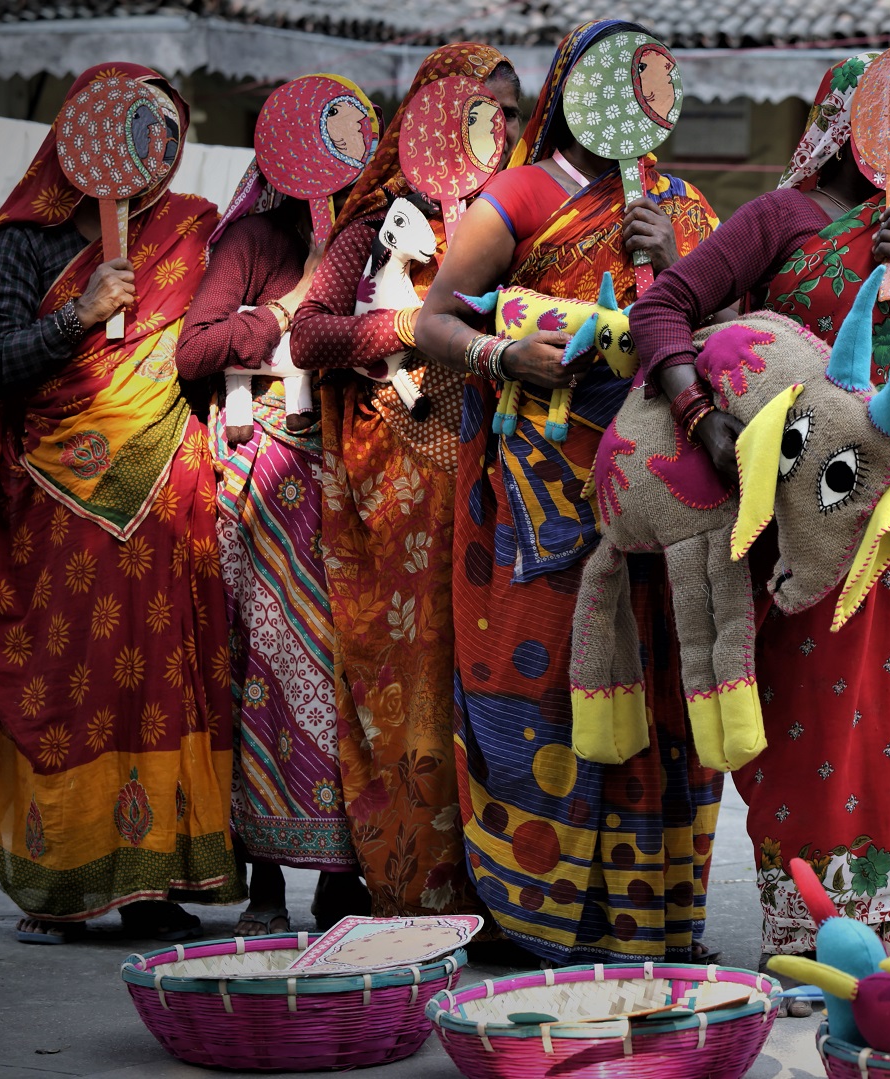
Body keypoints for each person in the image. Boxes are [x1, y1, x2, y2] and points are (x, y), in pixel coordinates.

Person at [629, 52, 890, 962]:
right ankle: (808, 924)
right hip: (805, 509)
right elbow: (665, 312)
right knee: (809, 712)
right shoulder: (783, 217)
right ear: (848, 118)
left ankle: (887, 920)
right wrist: (700, 414)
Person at [413, 20, 723, 965]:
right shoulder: (517, 195)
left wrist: (673, 261)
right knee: (540, 687)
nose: (644, 99)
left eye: (655, 83)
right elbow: (432, 322)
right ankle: (536, 918)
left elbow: (733, 335)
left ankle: (652, 921)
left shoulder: (685, 208)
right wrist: (503, 352)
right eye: (625, 81)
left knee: (663, 689)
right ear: (579, 89)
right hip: (542, 500)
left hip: (661, 495)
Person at [0, 63, 243, 944]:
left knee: (164, 681)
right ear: (81, 138)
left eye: (166, 135)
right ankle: (64, 880)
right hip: (58, 507)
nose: (152, 154)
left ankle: (156, 881)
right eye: (134, 132)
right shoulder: (28, 240)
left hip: (165, 497)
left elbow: (209, 337)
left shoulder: (193, 231)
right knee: (69, 686)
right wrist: (80, 312)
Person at [287, 43, 518, 921]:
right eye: (471, 111)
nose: (487, 129)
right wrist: (406, 326)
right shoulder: (374, 217)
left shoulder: (514, 215)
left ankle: (500, 891)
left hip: (494, 473)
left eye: (500, 113)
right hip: (397, 482)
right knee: (408, 678)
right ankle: (415, 885)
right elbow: (309, 336)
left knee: (490, 676)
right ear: (428, 117)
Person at [176, 117, 371, 935]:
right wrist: (285, 313)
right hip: (263, 488)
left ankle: (339, 882)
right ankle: (262, 884)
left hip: (349, 484)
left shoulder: (365, 238)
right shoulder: (254, 238)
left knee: (344, 681)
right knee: (257, 675)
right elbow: (196, 348)